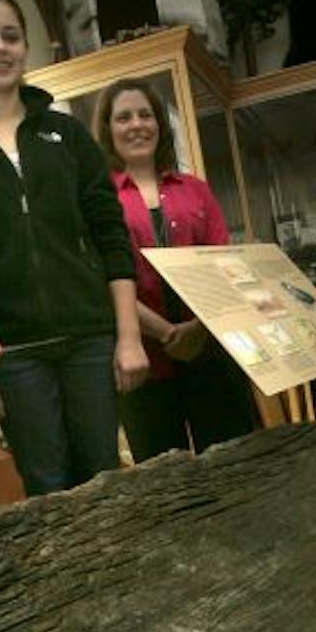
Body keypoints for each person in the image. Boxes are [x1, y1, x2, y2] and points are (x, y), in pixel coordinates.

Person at [0, 0, 148, 495]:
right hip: (10, 353)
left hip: (90, 340)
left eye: (11, 36)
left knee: (105, 479)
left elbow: (111, 238)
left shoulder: (67, 135)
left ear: (25, 48)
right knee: (47, 488)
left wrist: (128, 337)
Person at [92, 77, 258, 461]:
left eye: (146, 114)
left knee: (234, 463)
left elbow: (224, 264)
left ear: (160, 124)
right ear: (107, 129)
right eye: (124, 117)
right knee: (163, 480)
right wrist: (167, 334)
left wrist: (198, 329)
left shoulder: (196, 189)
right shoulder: (98, 199)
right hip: (143, 366)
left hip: (211, 355)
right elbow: (103, 280)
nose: (137, 124)